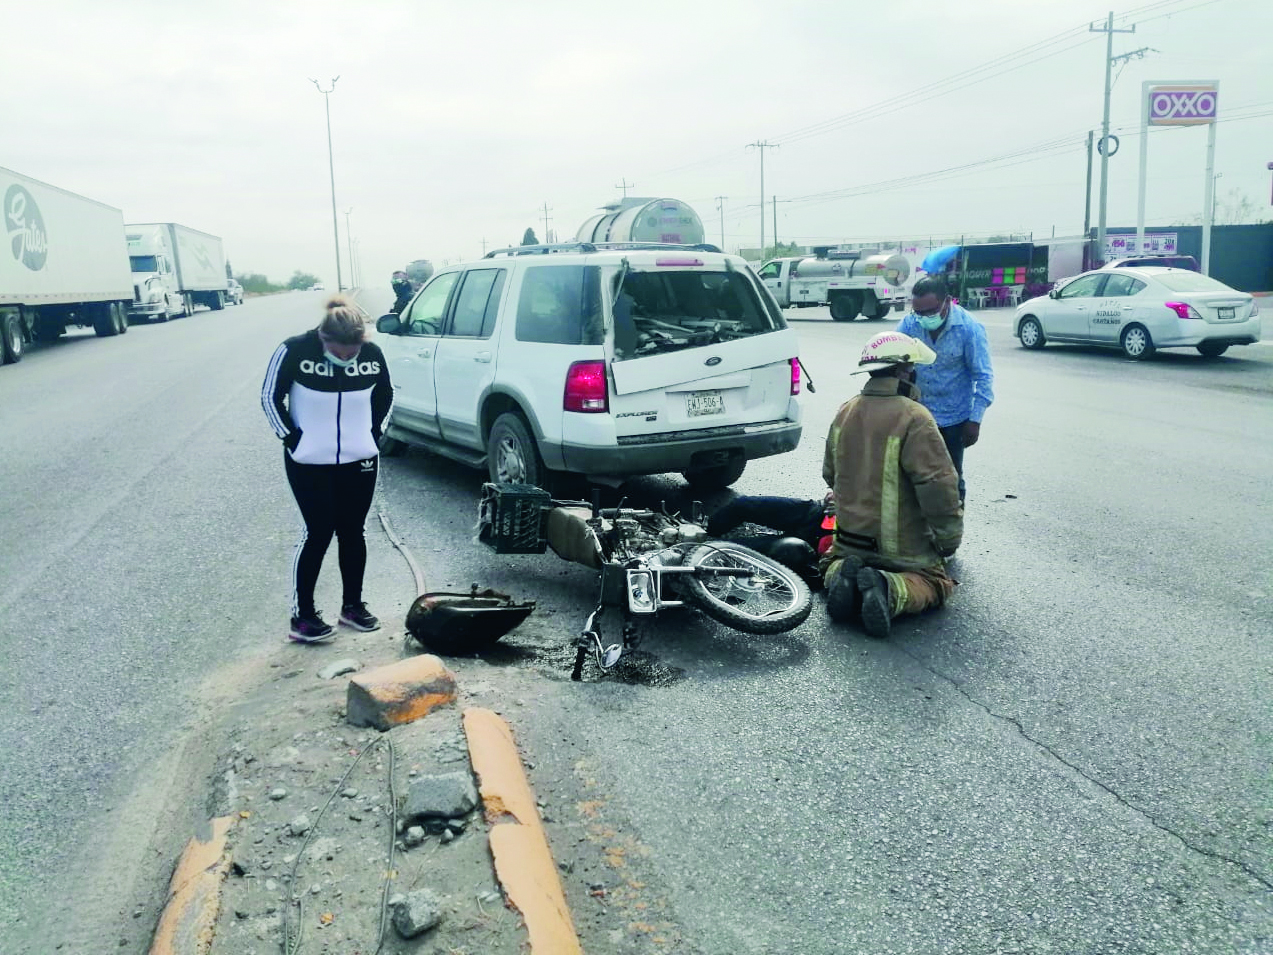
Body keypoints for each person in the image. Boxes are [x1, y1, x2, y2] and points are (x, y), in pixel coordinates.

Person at [261, 296, 394, 643]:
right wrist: (293, 440)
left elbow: (386, 395)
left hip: (359, 458)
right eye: (340, 352)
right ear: (324, 338)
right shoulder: (294, 350)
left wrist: (374, 435)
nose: (347, 359)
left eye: (353, 354)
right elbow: (269, 397)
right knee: (318, 532)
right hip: (309, 460)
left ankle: (353, 607)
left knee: (354, 531)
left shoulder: (372, 354)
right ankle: (302, 616)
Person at [822, 331, 963, 639]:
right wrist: (948, 541)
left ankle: (839, 578)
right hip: (902, 549)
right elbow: (938, 487)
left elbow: (830, 475)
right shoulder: (915, 417)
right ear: (903, 371)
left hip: (850, 541)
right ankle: (887, 588)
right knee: (935, 582)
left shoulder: (845, 411)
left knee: (831, 562)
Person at [895, 276, 993, 502]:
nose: (923, 319)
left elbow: (983, 376)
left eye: (929, 312)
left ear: (947, 302)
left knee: (949, 481)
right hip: (917, 416)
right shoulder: (910, 324)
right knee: (912, 477)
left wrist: (975, 420)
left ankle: (950, 533)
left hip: (953, 420)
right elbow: (892, 358)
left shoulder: (969, 328)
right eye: (918, 312)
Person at [706, 493, 836, 586]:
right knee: (742, 504)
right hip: (813, 512)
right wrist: (836, 498)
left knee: (730, 548)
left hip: (811, 546)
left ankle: (700, 548)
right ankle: (702, 530)